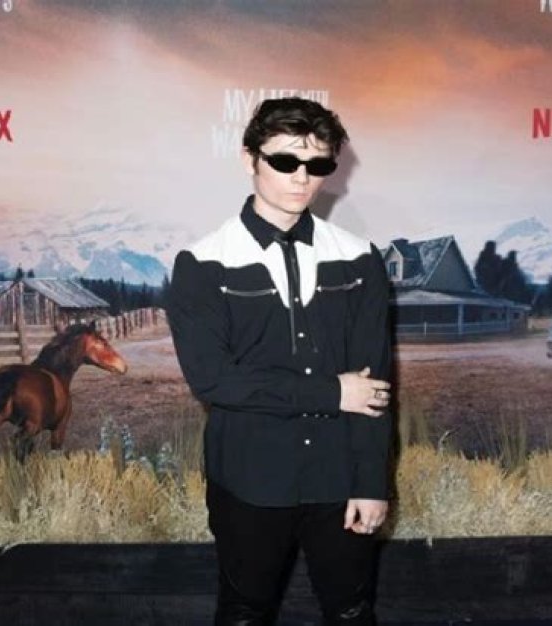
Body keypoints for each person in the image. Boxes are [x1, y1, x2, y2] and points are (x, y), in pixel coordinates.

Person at [167, 97, 392, 625]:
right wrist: (332, 392)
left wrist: (371, 483)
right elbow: (214, 380)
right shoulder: (203, 262)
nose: (301, 178)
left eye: (318, 164)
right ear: (249, 158)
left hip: (339, 477)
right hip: (249, 478)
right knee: (244, 612)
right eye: (285, 161)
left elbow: (375, 386)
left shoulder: (359, 257)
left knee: (351, 611)